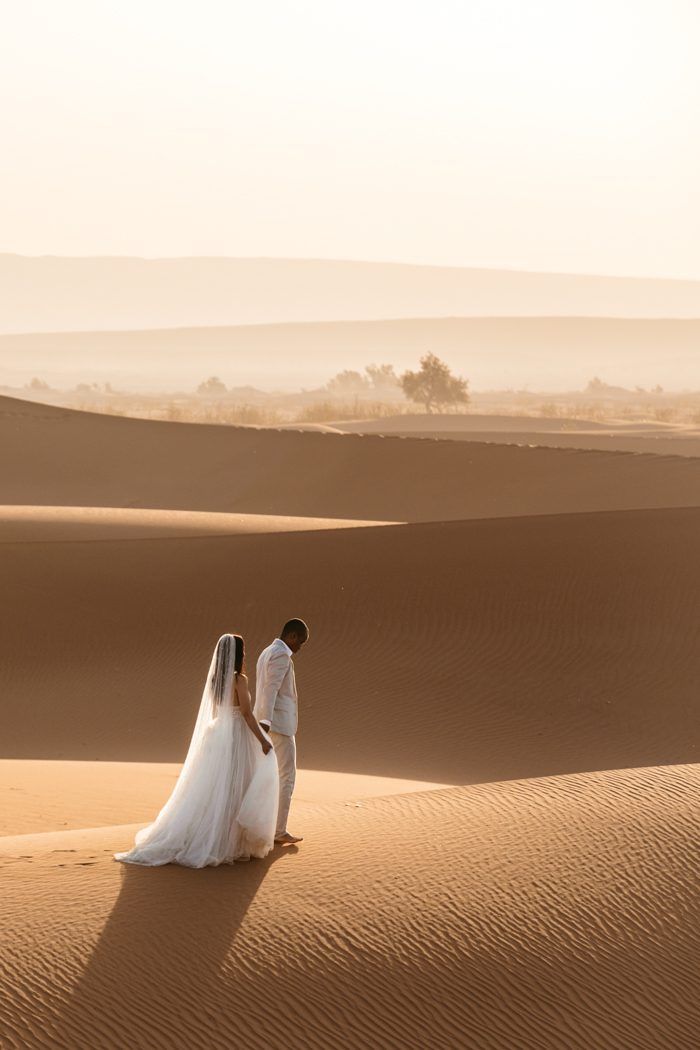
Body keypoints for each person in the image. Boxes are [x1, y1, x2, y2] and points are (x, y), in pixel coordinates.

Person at [114, 633, 279, 867]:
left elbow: (217, 709)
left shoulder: (216, 679)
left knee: (215, 788)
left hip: (217, 733)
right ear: (238, 654)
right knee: (233, 785)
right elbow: (246, 713)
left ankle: (216, 836)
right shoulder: (238, 679)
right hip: (234, 735)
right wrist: (262, 739)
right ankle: (227, 841)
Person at [254, 618, 309, 845]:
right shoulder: (280, 655)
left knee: (270, 777)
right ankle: (279, 830)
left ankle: (268, 826)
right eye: (301, 642)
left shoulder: (267, 651)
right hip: (278, 726)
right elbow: (271, 688)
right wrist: (266, 723)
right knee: (287, 777)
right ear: (292, 636)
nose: (300, 647)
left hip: (271, 724)